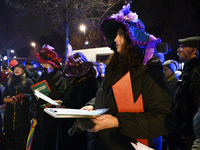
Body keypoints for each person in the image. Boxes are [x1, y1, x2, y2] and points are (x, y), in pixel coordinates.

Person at [76, 4, 176, 150]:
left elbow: (164, 119)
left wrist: (117, 121)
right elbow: (105, 94)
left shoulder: (149, 72)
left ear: (132, 38)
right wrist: (91, 106)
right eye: (116, 34)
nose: (115, 39)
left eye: (121, 34)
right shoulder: (114, 68)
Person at [165, 36, 200, 150]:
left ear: (193, 50)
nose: (178, 50)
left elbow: (196, 106)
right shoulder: (189, 70)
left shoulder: (196, 72)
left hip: (188, 136)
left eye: (182, 47)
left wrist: (185, 132)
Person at [31, 44, 67, 150]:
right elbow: (36, 88)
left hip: (52, 114)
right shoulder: (44, 74)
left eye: (45, 63)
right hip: (42, 113)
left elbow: (60, 92)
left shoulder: (60, 75)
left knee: (51, 140)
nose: (43, 65)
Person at [62, 52, 100, 150]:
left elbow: (87, 103)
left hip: (80, 128)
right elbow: (70, 97)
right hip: (69, 124)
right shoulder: (75, 80)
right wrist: (62, 103)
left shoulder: (90, 81)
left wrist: (67, 107)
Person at [1, 63, 34, 150]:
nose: (17, 70)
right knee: (9, 135)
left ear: (23, 71)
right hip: (10, 111)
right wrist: (6, 98)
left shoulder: (28, 81)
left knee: (20, 136)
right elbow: (5, 95)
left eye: (19, 68)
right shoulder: (9, 80)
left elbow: (33, 95)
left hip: (22, 111)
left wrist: (22, 96)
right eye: (15, 68)